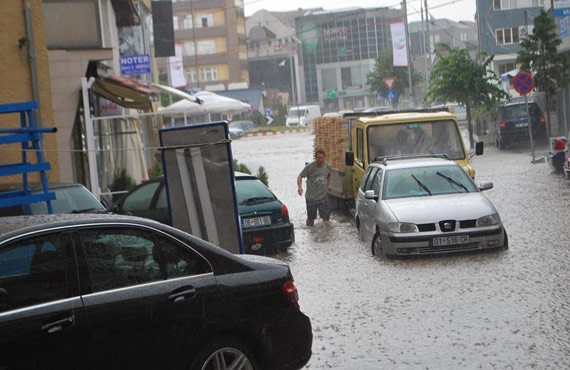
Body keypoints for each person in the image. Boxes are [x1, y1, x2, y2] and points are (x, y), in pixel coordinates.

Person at [297, 148, 331, 226]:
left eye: (321, 158)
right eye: (318, 158)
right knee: (311, 220)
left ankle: (326, 235)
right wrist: (299, 187)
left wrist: (327, 186)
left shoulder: (327, 167)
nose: (320, 159)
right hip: (311, 197)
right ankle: (311, 232)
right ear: (315, 157)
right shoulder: (310, 167)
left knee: (326, 220)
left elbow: (329, 175)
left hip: (323, 196)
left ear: (324, 157)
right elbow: (300, 176)